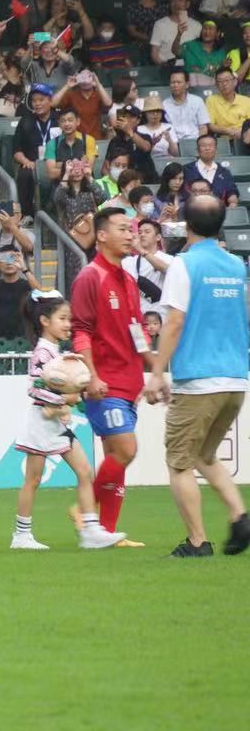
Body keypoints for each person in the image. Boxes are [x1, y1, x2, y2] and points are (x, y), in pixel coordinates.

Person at [148, 195, 250, 557]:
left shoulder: (184, 265)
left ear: (185, 224)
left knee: (179, 462)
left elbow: (174, 321)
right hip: (235, 377)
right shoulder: (235, 265)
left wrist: (157, 372)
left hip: (198, 379)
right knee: (205, 455)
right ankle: (240, 518)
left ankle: (197, 541)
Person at [68, 207, 157, 548]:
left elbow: (138, 332)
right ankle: (84, 509)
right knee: (125, 449)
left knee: (115, 455)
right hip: (104, 383)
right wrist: (91, 376)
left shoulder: (128, 280)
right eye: (123, 229)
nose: (130, 235)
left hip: (129, 381)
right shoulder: (90, 277)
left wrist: (154, 369)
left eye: (131, 229)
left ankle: (105, 531)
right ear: (101, 235)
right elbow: (81, 331)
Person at [11, 294, 118, 550]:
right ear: (45, 321)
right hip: (40, 424)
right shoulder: (42, 351)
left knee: (85, 471)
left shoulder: (55, 351)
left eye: (69, 319)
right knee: (33, 480)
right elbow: (34, 389)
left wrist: (76, 395)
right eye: (62, 318)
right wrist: (66, 399)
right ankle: (21, 535)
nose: (68, 324)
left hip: (57, 424)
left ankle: (90, 530)